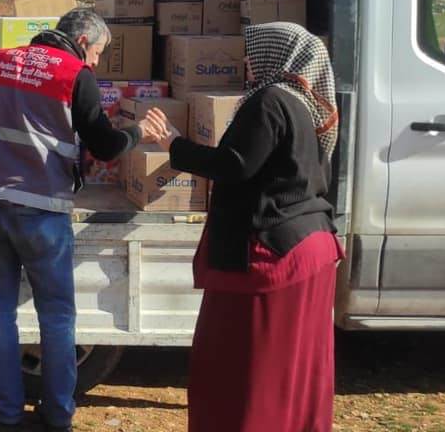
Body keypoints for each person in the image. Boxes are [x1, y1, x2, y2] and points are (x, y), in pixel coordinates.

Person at [0, 8, 158, 432]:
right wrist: (139, 133)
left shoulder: (0, 60)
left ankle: (5, 415)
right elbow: (105, 146)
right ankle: (57, 415)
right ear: (83, 42)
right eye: (98, 53)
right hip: (42, 211)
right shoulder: (74, 74)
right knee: (58, 317)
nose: (97, 63)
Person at [138, 22, 342, 432]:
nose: (244, 63)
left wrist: (173, 145)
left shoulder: (268, 101)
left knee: (247, 365)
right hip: (310, 245)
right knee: (295, 364)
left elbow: (235, 165)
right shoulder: (304, 103)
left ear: (274, 55)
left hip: (273, 255)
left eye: (251, 53)